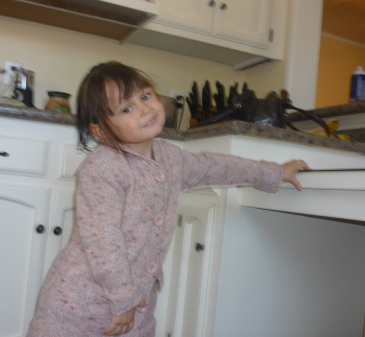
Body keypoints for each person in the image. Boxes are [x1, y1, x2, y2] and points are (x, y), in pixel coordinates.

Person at [27, 61, 310, 337]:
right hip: (80, 305)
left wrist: (273, 172)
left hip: (136, 306)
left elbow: (218, 167)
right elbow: (103, 242)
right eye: (126, 108)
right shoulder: (103, 168)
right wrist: (123, 299)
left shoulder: (170, 158)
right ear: (101, 131)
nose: (144, 108)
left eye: (145, 96)